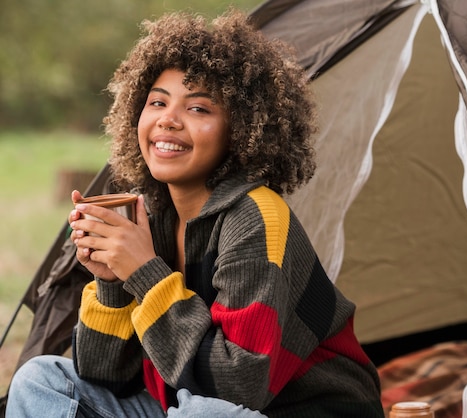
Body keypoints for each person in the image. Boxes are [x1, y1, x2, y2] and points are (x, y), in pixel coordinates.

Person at [6, 8, 384, 418]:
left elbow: (238, 386)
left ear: (241, 129)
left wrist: (144, 271)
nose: (168, 120)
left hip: (301, 410)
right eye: (157, 102)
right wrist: (112, 280)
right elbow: (105, 376)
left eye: (199, 108)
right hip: (183, 403)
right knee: (40, 380)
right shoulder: (153, 212)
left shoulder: (257, 217)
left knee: (202, 414)